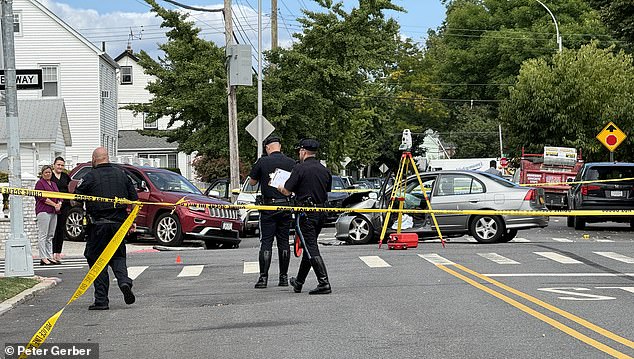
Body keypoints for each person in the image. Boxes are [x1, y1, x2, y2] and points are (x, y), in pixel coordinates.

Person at [75, 147, 138, 310]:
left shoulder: (90, 176)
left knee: (97, 260)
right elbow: (134, 200)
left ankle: (101, 300)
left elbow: (76, 198)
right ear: (107, 158)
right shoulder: (122, 174)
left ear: (95, 159)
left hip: (97, 226)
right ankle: (124, 281)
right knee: (118, 257)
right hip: (119, 225)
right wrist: (132, 221)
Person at [278, 139, 332, 295]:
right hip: (321, 213)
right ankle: (299, 282)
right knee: (309, 245)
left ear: (303, 151)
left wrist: (280, 187)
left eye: (299, 151)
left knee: (311, 247)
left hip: (306, 214)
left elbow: (287, 191)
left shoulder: (299, 169)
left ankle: (324, 283)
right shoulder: (324, 170)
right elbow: (326, 189)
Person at [249, 135, 296, 288]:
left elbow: (252, 182)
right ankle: (283, 278)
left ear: (267, 148)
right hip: (285, 206)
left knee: (266, 242)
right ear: (280, 146)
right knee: (283, 242)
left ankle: (263, 279)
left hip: (269, 207)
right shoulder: (291, 162)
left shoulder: (262, 161)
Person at [34, 165, 62, 265]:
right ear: (42, 174)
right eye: (46, 172)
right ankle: (43, 257)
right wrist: (54, 204)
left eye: (49, 172)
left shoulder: (53, 184)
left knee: (50, 235)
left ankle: (49, 255)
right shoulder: (39, 183)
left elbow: (59, 196)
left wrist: (59, 204)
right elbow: (42, 198)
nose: (48, 174)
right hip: (43, 211)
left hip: (54, 212)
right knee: (43, 235)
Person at [51, 156, 71, 263]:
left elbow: (67, 189)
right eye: (58, 165)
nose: (60, 167)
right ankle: (51, 253)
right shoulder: (50, 175)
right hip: (52, 206)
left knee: (60, 230)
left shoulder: (65, 176)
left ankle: (58, 253)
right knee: (52, 230)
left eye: (62, 165)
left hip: (64, 206)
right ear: (54, 165)